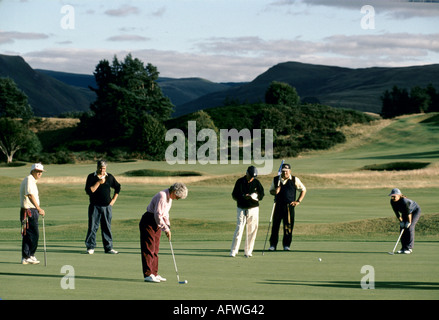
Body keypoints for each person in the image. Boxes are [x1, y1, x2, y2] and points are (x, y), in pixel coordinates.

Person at [139, 182, 188, 283]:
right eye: (178, 197)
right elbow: (157, 215)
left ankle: (154, 274)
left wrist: (168, 226)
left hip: (157, 223)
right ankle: (148, 274)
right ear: (174, 191)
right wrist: (165, 229)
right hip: (149, 221)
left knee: (155, 249)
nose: (177, 199)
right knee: (149, 248)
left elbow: (165, 214)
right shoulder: (162, 196)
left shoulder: (169, 198)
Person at [84, 160, 121, 254]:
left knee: (106, 227)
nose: (102, 170)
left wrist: (113, 200)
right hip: (94, 206)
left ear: (106, 168)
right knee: (92, 227)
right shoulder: (91, 177)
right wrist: (99, 182)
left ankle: (108, 248)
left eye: (104, 168)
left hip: (106, 207)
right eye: (100, 168)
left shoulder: (110, 177)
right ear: (97, 167)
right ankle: (90, 247)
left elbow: (118, 187)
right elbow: (89, 191)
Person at [268, 163, 306, 251]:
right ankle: (273, 245)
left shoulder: (294, 179)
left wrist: (298, 201)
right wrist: (276, 191)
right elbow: (271, 191)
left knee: (288, 226)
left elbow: (303, 190)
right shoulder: (276, 179)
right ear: (281, 171)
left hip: (289, 206)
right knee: (275, 226)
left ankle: (286, 245)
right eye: (283, 171)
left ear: (290, 171)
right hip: (278, 205)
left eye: (287, 171)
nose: (285, 173)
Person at [230, 166, 264, 258]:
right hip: (241, 208)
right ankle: (234, 251)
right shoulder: (240, 181)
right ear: (247, 173)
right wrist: (243, 196)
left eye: (254, 177)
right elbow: (234, 195)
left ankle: (248, 251)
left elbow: (261, 195)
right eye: (251, 176)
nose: (252, 178)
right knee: (239, 229)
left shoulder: (256, 183)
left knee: (252, 230)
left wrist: (254, 196)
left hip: (253, 208)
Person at [20, 163, 46, 264]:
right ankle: (29, 255)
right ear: (33, 171)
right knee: (33, 234)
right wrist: (39, 208)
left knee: (28, 234)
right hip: (29, 210)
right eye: (38, 171)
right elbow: (30, 195)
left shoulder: (31, 180)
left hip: (28, 210)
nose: (40, 173)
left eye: (41, 172)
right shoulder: (29, 180)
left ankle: (26, 256)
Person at [388, 188, 421, 254]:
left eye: (394, 196)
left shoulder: (404, 201)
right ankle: (403, 248)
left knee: (410, 227)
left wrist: (409, 222)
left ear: (399, 195)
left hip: (415, 211)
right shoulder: (392, 202)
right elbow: (397, 213)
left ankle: (409, 248)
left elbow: (409, 213)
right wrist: (401, 222)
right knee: (402, 228)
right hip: (405, 212)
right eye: (392, 196)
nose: (393, 197)